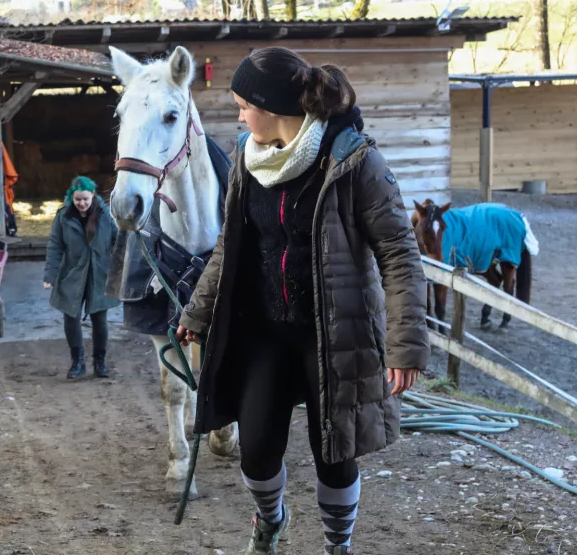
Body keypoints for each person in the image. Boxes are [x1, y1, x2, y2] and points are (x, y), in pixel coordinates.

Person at [175, 47, 429, 555]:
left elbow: (400, 254)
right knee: (257, 454)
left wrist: (406, 345)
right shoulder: (248, 162)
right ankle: (271, 522)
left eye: (245, 105)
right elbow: (230, 245)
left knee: (334, 452)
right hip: (265, 331)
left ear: (273, 107)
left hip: (335, 335)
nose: (240, 115)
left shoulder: (355, 161)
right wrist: (197, 311)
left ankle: (338, 545)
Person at [44, 176, 120, 379]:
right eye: (77, 199)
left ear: (93, 195)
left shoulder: (105, 214)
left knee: (100, 319)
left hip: (99, 272)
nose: (82, 203)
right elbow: (55, 245)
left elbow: (118, 241)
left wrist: (121, 268)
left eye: (85, 199)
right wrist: (50, 275)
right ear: (72, 197)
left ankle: (100, 362)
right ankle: (77, 362)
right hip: (72, 272)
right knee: (70, 316)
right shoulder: (64, 216)